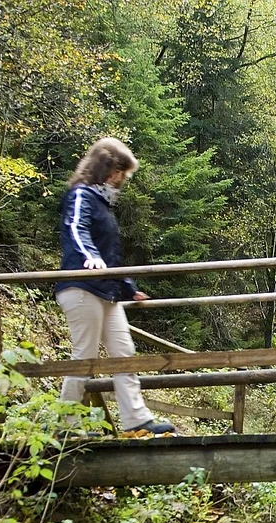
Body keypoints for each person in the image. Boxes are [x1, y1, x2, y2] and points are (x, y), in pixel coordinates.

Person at [55, 137, 174, 436]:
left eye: (123, 173)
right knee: (84, 356)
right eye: (118, 171)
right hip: (81, 288)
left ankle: (136, 420)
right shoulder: (81, 195)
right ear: (104, 167)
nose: (121, 178)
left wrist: (127, 286)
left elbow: (110, 256)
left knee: (124, 353)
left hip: (106, 291)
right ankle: (66, 427)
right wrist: (89, 256)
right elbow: (75, 229)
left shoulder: (102, 204)